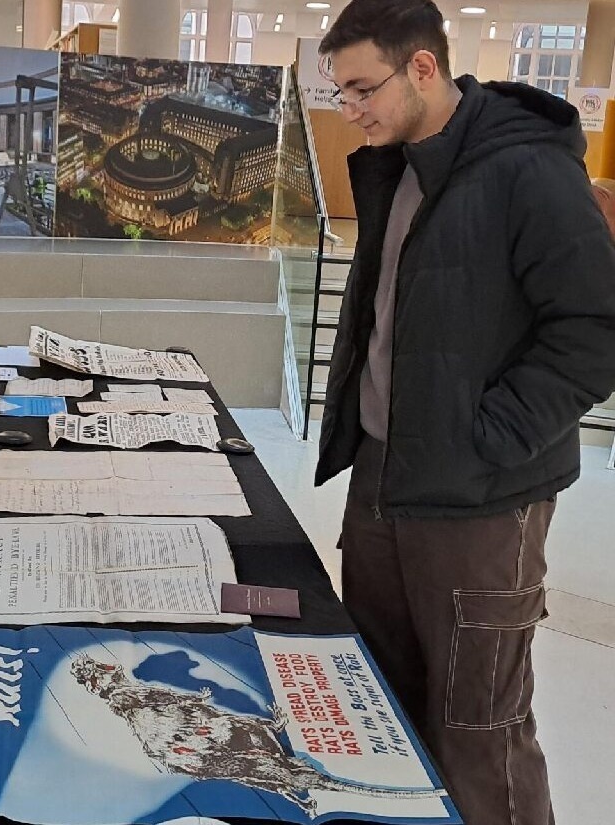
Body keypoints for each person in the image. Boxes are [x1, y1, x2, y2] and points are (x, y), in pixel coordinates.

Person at [314, 1, 615, 823]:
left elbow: (595, 329)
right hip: (383, 483)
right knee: (382, 707)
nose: (351, 110)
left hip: (483, 502)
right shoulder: (397, 164)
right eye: (339, 93)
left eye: (361, 88)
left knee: (480, 731)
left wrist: (492, 439)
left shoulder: (527, 168)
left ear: (422, 67)